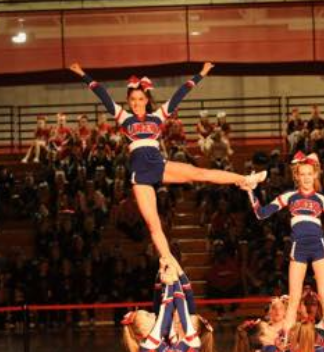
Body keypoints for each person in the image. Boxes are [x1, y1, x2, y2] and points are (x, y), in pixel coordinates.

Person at [68, 62, 266, 282]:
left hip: (158, 163)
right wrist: (82, 74)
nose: (136, 103)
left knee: (197, 173)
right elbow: (101, 93)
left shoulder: (157, 117)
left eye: (140, 99)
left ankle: (245, 180)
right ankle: (170, 262)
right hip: (140, 173)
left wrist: (201, 73)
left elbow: (180, 94)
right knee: (153, 223)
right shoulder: (124, 117)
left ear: (147, 100)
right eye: (132, 100)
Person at [246, 152, 324, 330]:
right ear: (296, 176)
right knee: (293, 299)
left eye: (310, 174)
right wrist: (250, 190)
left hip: (318, 247)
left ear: (315, 174)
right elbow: (261, 213)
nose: (306, 178)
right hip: (298, 247)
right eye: (303, 174)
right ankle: (287, 342)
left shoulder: (321, 199)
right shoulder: (290, 196)